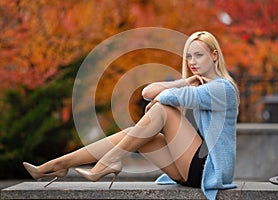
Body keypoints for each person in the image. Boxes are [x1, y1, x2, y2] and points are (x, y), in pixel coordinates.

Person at [23, 31, 239, 200]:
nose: (192, 61)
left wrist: (161, 101)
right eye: (189, 56)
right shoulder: (198, 85)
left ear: (214, 55)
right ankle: (57, 165)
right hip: (188, 170)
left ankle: (109, 161)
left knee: (163, 110)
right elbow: (147, 93)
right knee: (134, 134)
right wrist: (183, 81)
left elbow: (165, 99)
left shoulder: (223, 89)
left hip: (208, 170)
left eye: (199, 55)